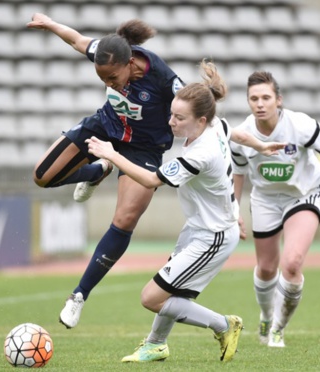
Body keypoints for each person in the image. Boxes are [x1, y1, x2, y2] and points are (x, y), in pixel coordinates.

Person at [86, 61, 285, 363]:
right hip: (200, 228)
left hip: (213, 236)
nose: (171, 122)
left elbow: (151, 179)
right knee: (172, 292)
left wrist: (111, 154)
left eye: (179, 118)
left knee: (151, 298)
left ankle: (224, 325)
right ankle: (156, 344)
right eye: (171, 114)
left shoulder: (200, 154)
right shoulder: (217, 125)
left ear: (201, 121)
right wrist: (261, 145)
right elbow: (236, 133)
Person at [26, 14, 187, 329]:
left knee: (125, 219)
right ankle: (96, 172)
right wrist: (50, 23)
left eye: (113, 79)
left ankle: (78, 296)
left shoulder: (164, 79)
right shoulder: (106, 52)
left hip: (144, 150)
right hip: (104, 127)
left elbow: (194, 106)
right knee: (42, 176)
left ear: (130, 64)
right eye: (103, 80)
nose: (109, 84)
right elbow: (76, 40)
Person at [230, 71, 320, 348]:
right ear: (248, 102)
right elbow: (237, 172)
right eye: (254, 98)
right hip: (265, 199)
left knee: (292, 263)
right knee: (267, 268)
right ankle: (267, 315)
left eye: (266, 97)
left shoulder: (301, 125)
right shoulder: (241, 136)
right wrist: (234, 209)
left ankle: (279, 329)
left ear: (278, 100)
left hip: (304, 195)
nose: (260, 103)